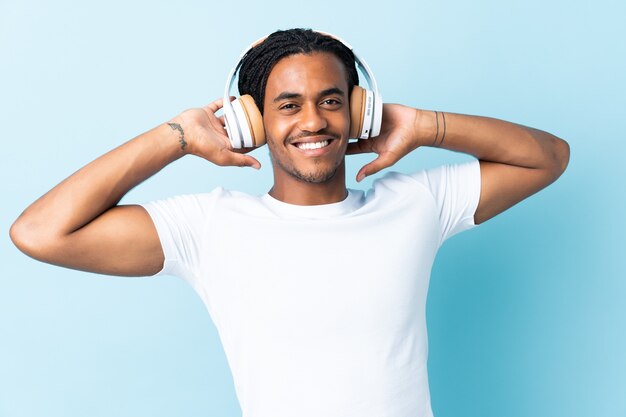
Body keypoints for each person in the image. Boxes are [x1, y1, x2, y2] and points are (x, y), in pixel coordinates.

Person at [10, 29, 569, 417]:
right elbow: (40, 232)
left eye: (331, 101)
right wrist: (178, 136)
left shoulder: (415, 203)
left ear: (359, 111)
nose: (312, 121)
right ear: (251, 120)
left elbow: (548, 156)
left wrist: (422, 125)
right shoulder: (209, 227)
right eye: (288, 105)